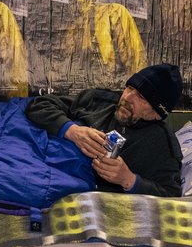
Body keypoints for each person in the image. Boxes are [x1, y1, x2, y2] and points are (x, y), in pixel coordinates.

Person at [25, 63, 184, 197]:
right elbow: (39, 105)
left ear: (156, 114)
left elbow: (171, 195)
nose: (127, 98)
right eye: (129, 88)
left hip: (85, 198)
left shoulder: (162, 144)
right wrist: (72, 131)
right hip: (40, 168)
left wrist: (129, 180)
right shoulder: (99, 101)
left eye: (141, 97)